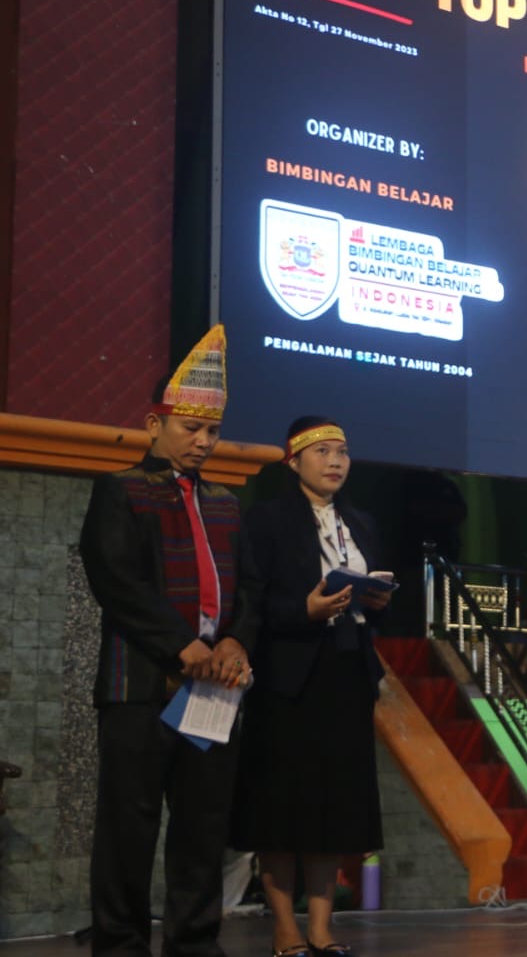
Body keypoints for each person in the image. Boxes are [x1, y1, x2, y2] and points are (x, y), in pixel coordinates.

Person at [79, 324, 260, 957]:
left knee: (203, 826)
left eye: (212, 431)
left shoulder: (227, 504)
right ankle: (120, 945)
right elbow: (115, 579)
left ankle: (194, 943)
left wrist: (235, 642)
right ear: (154, 424)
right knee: (127, 827)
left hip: (213, 692)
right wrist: (184, 645)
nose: (203, 441)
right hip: (138, 686)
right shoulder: (121, 489)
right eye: (191, 428)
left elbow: (251, 589)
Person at [230, 418, 389, 957]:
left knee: (334, 806)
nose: (335, 461)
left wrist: (377, 601)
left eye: (342, 451)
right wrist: (305, 609)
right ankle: (284, 929)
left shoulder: (360, 522)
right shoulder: (268, 519)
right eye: (322, 451)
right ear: (293, 461)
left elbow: (370, 601)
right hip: (288, 678)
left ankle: (321, 930)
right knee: (282, 805)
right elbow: (252, 600)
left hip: (347, 674)